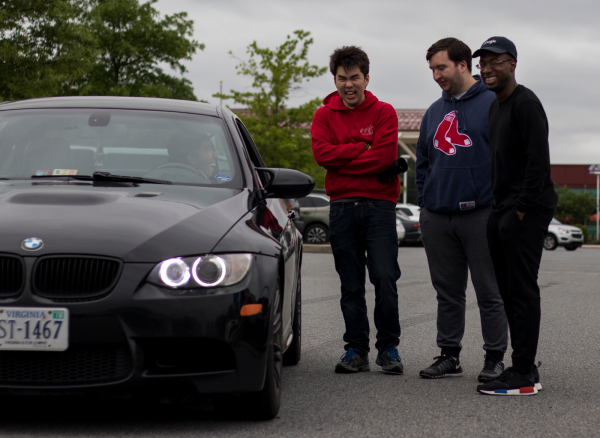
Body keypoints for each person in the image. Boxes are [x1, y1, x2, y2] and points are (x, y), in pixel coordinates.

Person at [415, 38, 508, 382]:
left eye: (441, 67)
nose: (436, 75)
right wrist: (426, 202)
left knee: (489, 290)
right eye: (432, 69)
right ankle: (449, 355)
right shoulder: (434, 112)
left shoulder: (492, 104)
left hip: (481, 215)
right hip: (438, 216)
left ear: (463, 65)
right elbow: (422, 162)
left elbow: (507, 159)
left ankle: (495, 357)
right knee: (447, 293)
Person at [311, 46, 405, 374]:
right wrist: (360, 148)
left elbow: (382, 159)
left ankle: (388, 349)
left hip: (379, 206)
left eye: (354, 78)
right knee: (350, 282)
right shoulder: (324, 115)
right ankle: (356, 349)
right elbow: (322, 156)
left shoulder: (385, 113)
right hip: (341, 208)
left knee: (384, 276)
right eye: (342, 78)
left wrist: (343, 161)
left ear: (366, 78)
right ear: (334, 79)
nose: (348, 84)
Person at [473, 36, 558, 396]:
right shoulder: (495, 107)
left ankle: (524, 373)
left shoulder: (526, 104)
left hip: (527, 208)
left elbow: (538, 164)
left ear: (513, 64)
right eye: (483, 63)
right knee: (508, 290)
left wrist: (520, 209)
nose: (487, 69)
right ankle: (521, 360)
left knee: (521, 289)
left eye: (495, 62)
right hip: (503, 207)